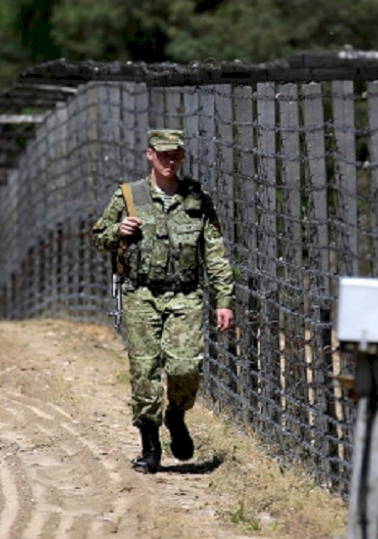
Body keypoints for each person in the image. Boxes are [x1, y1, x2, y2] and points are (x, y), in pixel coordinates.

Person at [92, 128, 236, 474]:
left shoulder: (196, 199)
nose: (170, 161)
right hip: (141, 294)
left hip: (185, 295)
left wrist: (224, 299)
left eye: (176, 155)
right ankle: (150, 446)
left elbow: (214, 252)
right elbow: (99, 238)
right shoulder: (128, 196)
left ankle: (176, 414)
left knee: (185, 367)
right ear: (149, 155)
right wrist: (118, 231)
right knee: (145, 372)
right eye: (163, 154)